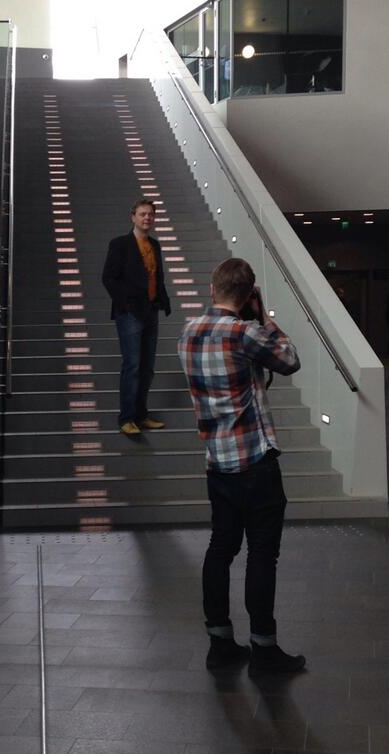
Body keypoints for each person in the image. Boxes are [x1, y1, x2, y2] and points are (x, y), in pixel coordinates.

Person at [178, 257, 306, 676]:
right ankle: (264, 650)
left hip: (217, 462)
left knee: (221, 549)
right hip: (254, 462)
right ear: (248, 295)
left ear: (213, 289)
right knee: (261, 555)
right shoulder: (246, 333)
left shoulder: (190, 331)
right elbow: (289, 359)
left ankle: (219, 642)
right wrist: (265, 317)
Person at [102, 198, 171, 435]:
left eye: (151, 214)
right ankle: (126, 418)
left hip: (151, 311)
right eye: (142, 214)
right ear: (133, 217)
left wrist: (163, 300)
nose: (147, 218)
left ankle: (141, 415)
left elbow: (156, 276)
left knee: (147, 367)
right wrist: (127, 304)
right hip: (130, 313)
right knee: (132, 366)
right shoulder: (120, 244)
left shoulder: (155, 245)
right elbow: (108, 278)